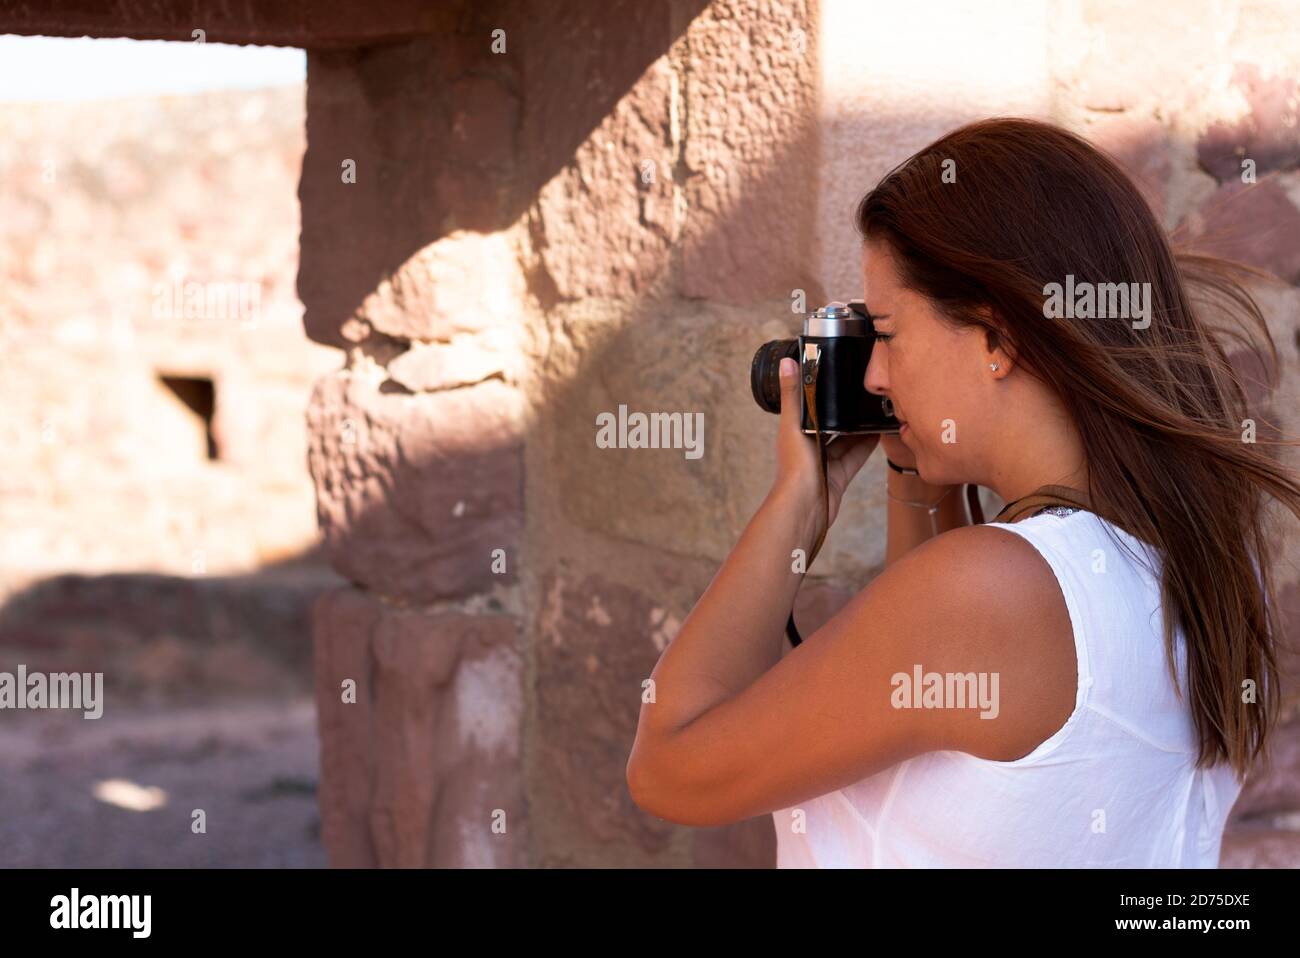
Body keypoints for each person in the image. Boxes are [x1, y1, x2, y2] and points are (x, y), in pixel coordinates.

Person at [625, 117, 1300, 867]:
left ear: (995, 338)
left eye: (888, 331)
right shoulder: (1184, 561)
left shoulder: (987, 592)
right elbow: (948, 732)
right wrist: (915, 473)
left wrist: (800, 502)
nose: (876, 375)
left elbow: (668, 766)